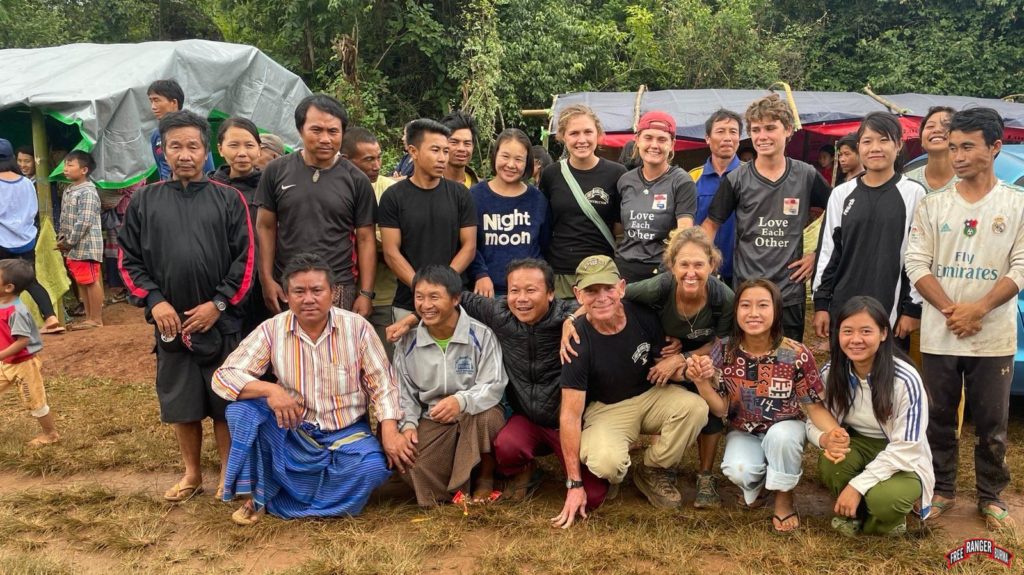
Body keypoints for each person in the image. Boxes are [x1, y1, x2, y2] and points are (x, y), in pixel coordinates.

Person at [386, 258, 608, 507]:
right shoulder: (499, 313)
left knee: (595, 495)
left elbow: (598, 303)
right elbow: (444, 301)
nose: (521, 299)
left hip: (566, 420)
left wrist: (570, 320)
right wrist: (411, 320)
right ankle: (509, 473)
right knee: (499, 446)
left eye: (531, 290)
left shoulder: (565, 319)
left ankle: (486, 477)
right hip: (522, 420)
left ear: (550, 293)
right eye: (514, 290)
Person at [211, 253, 411, 525]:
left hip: (346, 434)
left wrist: (388, 429)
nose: (308, 299)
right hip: (294, 431)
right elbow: (224, 376)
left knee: (372, 469)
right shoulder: (273, 329)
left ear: (332, 293)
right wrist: (271, 391)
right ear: (287, 295)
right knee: (242, 412)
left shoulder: (357, 328)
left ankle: (279, 500)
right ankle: (258, 495)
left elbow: (384, 384)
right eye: (299, 292)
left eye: (317, 290)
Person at [118, 110, 255, 504]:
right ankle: (192, 473)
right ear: (162, 150)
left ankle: (229, 473)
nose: (184, 155)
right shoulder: (144, 200)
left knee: (224, 401)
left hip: (220, 322)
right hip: (170, 324)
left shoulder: (227, 199)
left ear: (205, 150)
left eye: (192, 146)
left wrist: (218, 303)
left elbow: (244, 261)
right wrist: (156, 302)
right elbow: (129, 262)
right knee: (182, 403)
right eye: (174, 146)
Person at [904, 107, 1023, 531]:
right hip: (941, 332)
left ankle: (991, 495)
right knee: (938, 417)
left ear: (994, 147)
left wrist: (981, 308)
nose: (957, 156)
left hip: (993, 336)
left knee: (992, 422)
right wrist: (954, 310)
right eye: (953, 147)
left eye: (968, 147)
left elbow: (1021, 265)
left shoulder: (1016, 203)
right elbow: (916, 263)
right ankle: (941, 490)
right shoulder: (934, 205)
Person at [554, 255, 708, 527]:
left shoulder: (642, 314)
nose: (601, 297)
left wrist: (689, 367)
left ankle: (652, 469)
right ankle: (617, 471)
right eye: (591, 290)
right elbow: (569, 415)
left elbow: (664, 364)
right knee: (606, 464)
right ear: (578, 295)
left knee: (696, 408)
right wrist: (574, 483)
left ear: (622, 288)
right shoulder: (577, 339)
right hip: (607, 407)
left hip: (651, 394)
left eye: (608, 288)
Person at [685, 279, 841, 532]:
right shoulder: (725, 352)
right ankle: (760, 485)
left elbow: (813, 407)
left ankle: (784, 497)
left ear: (776, 311)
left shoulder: (796, 354)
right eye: (745, 305)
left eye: (763, 305)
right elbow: (722, 409)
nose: (753, 313)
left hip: (785, 428)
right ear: (736, 311)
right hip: (743, 430)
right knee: (738, 471)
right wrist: (702, 384)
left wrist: (834, 434)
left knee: (781, 438)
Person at [702, 94, 831, 342]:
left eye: (770, 128)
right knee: (747, 361)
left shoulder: (806, 175)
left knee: (786, 362)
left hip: (789, 291)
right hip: (748, 291)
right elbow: (710, 225)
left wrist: (816, 255)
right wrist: (703, 265)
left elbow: (838, 214)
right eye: (756, 129)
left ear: (788, 130)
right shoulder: (736, 179)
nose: (762, 137)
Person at [812, 296, 933, 537]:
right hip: (858, 443)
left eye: (866, 331)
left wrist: (857, 486)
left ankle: (877, 516)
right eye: (847, 331)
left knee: (886, 501)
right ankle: (857, 509)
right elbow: (813, 418)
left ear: (884, 334)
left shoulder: (905, 379)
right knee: (831, 464)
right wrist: (824, 439)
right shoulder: (831, 372)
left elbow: (907, 448)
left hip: (900, 454)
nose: (855, 340)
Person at [393, 265, 507, 505]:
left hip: (474, 413)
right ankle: (457, 490)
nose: (425, 305)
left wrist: (461, 401)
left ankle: (485, 479)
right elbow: (404, 391)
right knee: (412, 463)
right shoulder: (408, 342)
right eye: (419, 297)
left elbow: (494, 383)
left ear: (456, 299)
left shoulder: (481, 335)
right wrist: (409, 425)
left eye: (434, 297)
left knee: (490, 419)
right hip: (433, 417)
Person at [255, 94, 377, 318]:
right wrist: (266, 279)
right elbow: (265, 227)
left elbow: (366, 238)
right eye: (316, 130)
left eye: (333, 131)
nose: (325, 139)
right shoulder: (276, 171)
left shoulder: (357, 180)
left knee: (336, 350)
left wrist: (366, 294)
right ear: (300, 130)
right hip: (287, 284)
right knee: (290, 350)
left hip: (338, 285)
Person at [813, 112, 925, 349]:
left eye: (883, 140)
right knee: (844, 380)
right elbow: (828, 252)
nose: (875, 148)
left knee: (888, 382)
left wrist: (912, 308)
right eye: (867, 141)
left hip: (891, 311)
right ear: (860, 147)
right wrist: (821, 304)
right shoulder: (841, 194)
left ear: (898, 145)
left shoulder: (914, 194)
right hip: (844, 308)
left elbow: (920, 256)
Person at [378, 119, 477, 319]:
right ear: (413, 152)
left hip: (454, 300)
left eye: (445, 151)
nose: (442, 158)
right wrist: (422, 290)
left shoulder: (460, 194)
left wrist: (442, 286)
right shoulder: (393, 197)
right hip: (409, 302)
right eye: (435, 150)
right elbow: (391, 252)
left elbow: (469, 247)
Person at [539, 105, 626, 298]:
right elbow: (545, 225)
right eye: (574, 133)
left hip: (602, 273)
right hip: (562, 273)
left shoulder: (617, 174)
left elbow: (620, 230)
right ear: (563, 136)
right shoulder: (551, 175)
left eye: (588, 132)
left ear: (598, 134)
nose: (582, 140)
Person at [615, 111, 696, 282]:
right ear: (637, 140)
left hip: (661, 271)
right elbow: (619, 230)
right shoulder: (625, 180)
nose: (654, 145)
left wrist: (665, 272)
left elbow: (684, 232)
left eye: (662, 139)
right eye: (648, 138)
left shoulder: (681, 181)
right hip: (624, 268)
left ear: (672, 144)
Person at [468, 128, 549, 297]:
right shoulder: (475, 196)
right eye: (505, 156)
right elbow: (467, 244)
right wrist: (480, 274)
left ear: (527, 163)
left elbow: (544, 245)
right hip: (486, 291)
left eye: (519, 159)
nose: (511, 165)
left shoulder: (537, 199)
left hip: (529, 293)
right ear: (495, 155)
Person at [341, 127, 398, 356]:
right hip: (343, 295)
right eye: (368, 159)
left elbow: (396, 243)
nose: (376, 165)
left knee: (386, 362)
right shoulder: (335, 189)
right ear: (346, 160)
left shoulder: (390, 190)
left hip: (384, 296)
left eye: (378, 157)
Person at [209, 117, 268, 334]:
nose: (242, 153)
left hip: (263, 283)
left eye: (249, 145)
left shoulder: (270, 188)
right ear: (220, 149)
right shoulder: (210, 189)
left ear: (259, 150)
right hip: (222, 284)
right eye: (233, 145)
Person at [0, 139, 63, 334]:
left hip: (2, 240)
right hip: (26, 240)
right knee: (30, 281)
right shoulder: (27, 183)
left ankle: (9, 328)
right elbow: (32, 210)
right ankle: (51, 318)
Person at [0, 259, 59, 446]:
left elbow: (23, 341)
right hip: (7, 362)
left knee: (35, 400)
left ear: (9, 287)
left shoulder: (16, 311)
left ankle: (51, 434)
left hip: (24, 365)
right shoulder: (2, 303)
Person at [692, 109, 743, 287]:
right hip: (702, 272)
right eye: (720, 131)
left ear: (740, 138)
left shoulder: (752, 177)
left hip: (742, 272)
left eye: (733, 132)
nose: (727, 137)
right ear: (707, 138)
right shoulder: (691, 179)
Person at [56, 150, 104, 329]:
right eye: (65, 165)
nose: (65, 168)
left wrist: (69, 241)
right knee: (83, 280)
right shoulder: (70, 189)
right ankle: (89, 316)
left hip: (86, 245)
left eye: (70, 165)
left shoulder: (88, 192)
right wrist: (62, 238)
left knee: (90, 281)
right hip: (75, 246)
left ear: (84, 170)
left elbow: (84, 221)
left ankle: (96, 319)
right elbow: (64, 218)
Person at [146, 79, 214, 181]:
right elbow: (161, 169)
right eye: (151, 101)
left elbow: (208, 170)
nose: (153, 107)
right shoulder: (156, 135)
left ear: (174, 102)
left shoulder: (195, 131)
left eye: (157, 100)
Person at [904, 106, 958, 195]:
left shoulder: (972, 181)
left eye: (946, 125)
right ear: (921, 140)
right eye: (930, 126)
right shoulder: (906, 181)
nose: (936, 130)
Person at [441, 111, 479, 188]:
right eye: (454, 142)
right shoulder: (426, 186)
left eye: (467, 143)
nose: (461, 149)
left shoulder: (481, 190)